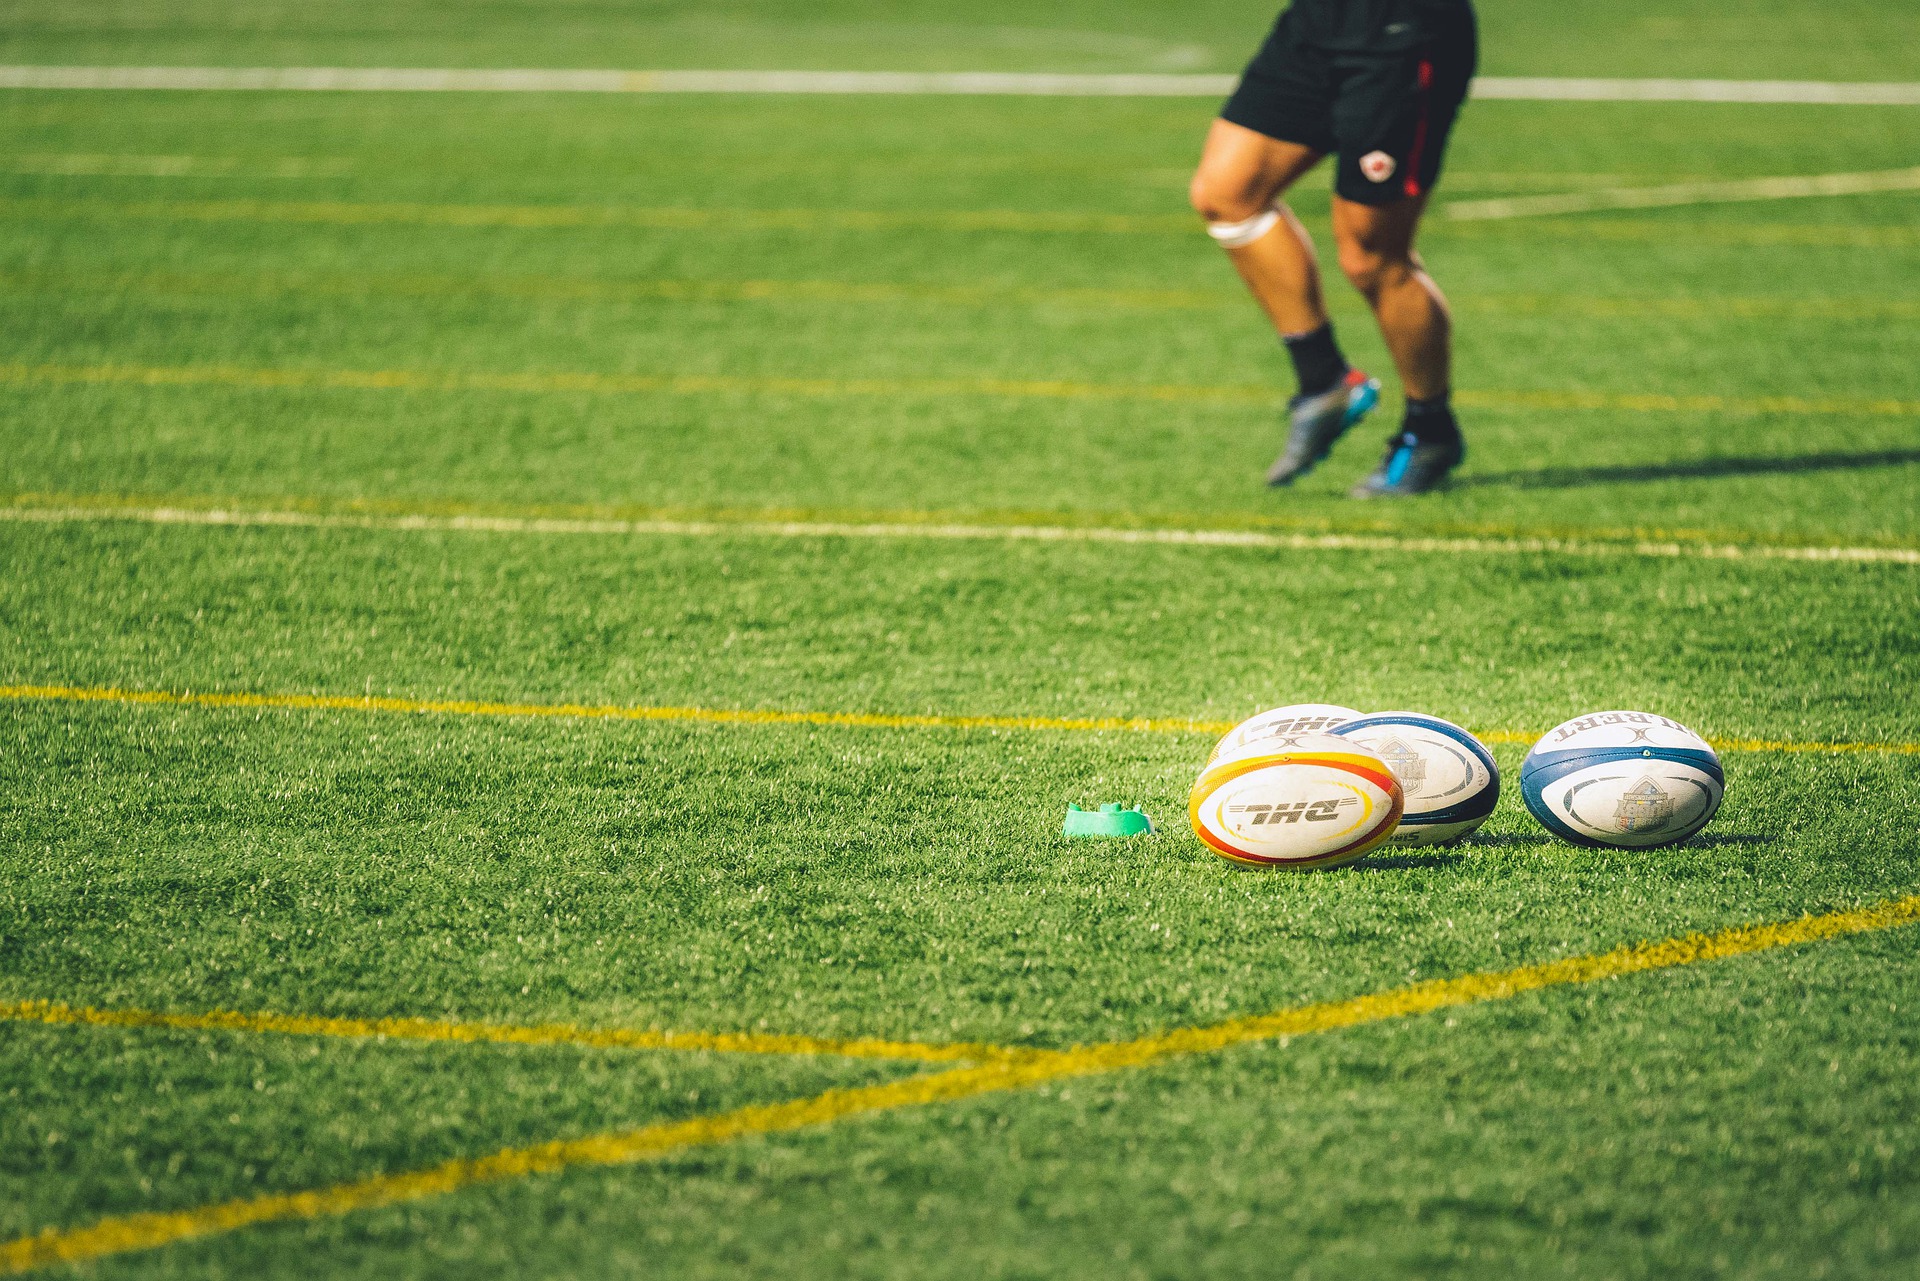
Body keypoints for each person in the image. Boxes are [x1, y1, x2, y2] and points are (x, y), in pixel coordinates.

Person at [1190, 0, 1477, 497]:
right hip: (1316, 23)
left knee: (1372, 257)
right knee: (1227, 194)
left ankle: (1430, 431)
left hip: (1401, 36)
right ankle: (1324, 381)